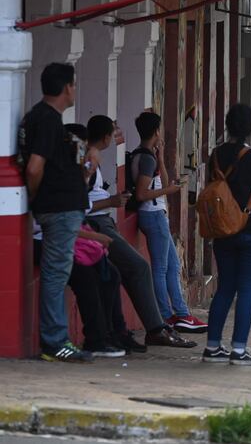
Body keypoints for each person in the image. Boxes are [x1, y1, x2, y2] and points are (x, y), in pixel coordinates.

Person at [84, 115, 196, 350]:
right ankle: (159, 324)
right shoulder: (90, 162)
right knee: (148, 267)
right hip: (103, 223)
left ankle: (122, 331)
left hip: (105, 221)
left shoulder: (102, 160)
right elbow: (78, 201)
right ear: (106, 137)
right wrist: (111, 201)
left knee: (123, 273)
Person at [18, 63, 91, 363]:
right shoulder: (47, 121)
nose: (75, 90)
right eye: (73, 85)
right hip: (57, 208)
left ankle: (56, 339)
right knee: (55, 275)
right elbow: (35, 167)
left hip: (58, 207)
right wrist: (36, 196)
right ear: (66, 88)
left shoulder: (39, 116)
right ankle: (55, 341)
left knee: (56, 273)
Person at [202, 103, 251, 365]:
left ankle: (212, 346)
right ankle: (238, 349)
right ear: (250, 127)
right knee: (247, 288)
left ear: (227, 125)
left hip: (223, 230)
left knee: (225, 286)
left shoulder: (215, 155)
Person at [132, 112, 207, 334]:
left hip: (157, 213)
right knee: (162, 267)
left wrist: (162, 158)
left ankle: (181, 314)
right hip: (153, 214)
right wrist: (170, 190)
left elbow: (161, 180)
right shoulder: (145, 158)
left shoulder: (149, 156)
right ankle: (167, 315)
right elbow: (141, 194)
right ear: (156, 131)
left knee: (173, 266)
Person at [32, 218, 125, 358]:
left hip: (67, 238)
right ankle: (89, 340)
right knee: (84, 278)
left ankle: (109, 333)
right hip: (46, 241)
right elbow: (55, 226)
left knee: (110, 275)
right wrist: (93, 236)